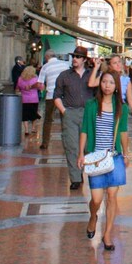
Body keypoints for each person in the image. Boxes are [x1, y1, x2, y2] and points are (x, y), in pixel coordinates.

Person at [77, 71, 130, 251]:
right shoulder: (91, 105)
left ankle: (107, 234)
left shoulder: (120, 107)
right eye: (104, 82)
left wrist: (126, 153)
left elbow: (123, 131)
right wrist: (80, 153)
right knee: (97, 199)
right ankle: (93, 217)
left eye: (111, 83)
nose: (107, 85)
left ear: (116, 87)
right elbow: (84, 129)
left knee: (112, 195)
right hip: (95, 157)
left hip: (114, 157)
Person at [54, 46, 94, 190]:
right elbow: (57, 96)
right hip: (70, 112)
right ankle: (75, 178)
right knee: (72, 146)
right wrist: (64, 112)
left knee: (89, 145)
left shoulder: (91, 75)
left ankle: (87, 173)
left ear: (84, 59)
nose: (75, 59)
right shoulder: (64, 75)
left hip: (88, 113)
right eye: (74, 56)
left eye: (78, 57)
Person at [87, 56, 132, 129]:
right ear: (109, 66)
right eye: (115, 63)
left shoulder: (125, 79)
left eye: (119, 62)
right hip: (106, 109)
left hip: (119, 108)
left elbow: (130, 98)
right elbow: (91, 84)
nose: (118, 65)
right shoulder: (105, 77)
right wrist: (96, 68)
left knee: (120, 132)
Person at [37, 50, 70, 150]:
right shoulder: (65, 65)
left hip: (51, 96)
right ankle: (67, 143)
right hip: (64, 96)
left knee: (48, 120)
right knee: (65, 119)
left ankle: (45, 143)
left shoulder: (45, 67)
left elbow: (40, 85)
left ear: (47, 57)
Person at [16, 65, 42, 137]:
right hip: (34, 99)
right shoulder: (35, 79)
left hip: (24, 99)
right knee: (34, 113)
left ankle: (26, 130)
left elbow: (18, 88)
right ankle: (33, 128)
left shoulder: (20, 79)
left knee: (25, 115)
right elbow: (40, 87)